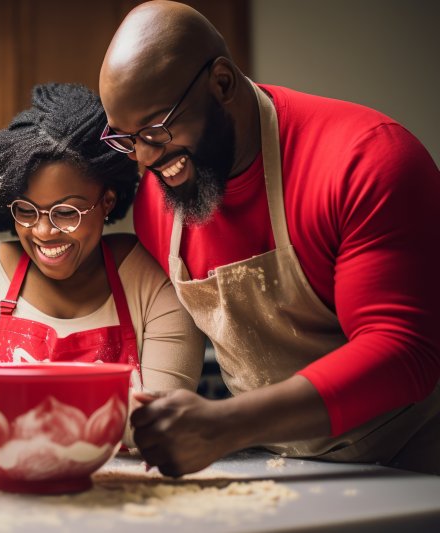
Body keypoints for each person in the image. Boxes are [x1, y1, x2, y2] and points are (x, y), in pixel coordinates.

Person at [98, 0, 440, 476]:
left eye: (156, 128)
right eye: (125, 137)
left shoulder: (367, 159)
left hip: (414, 454)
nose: (144, 159)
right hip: (286, 464)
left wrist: (228, 424)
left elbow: (404, 351)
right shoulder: (159, 203)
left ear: (222, 83)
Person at [0, 83, 204, 451]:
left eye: (66, 212)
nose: (44, 232)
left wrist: (4, 402)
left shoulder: (153, 277)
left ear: (107, 201)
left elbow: (161, 430)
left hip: (124, 501)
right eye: (26, 211)